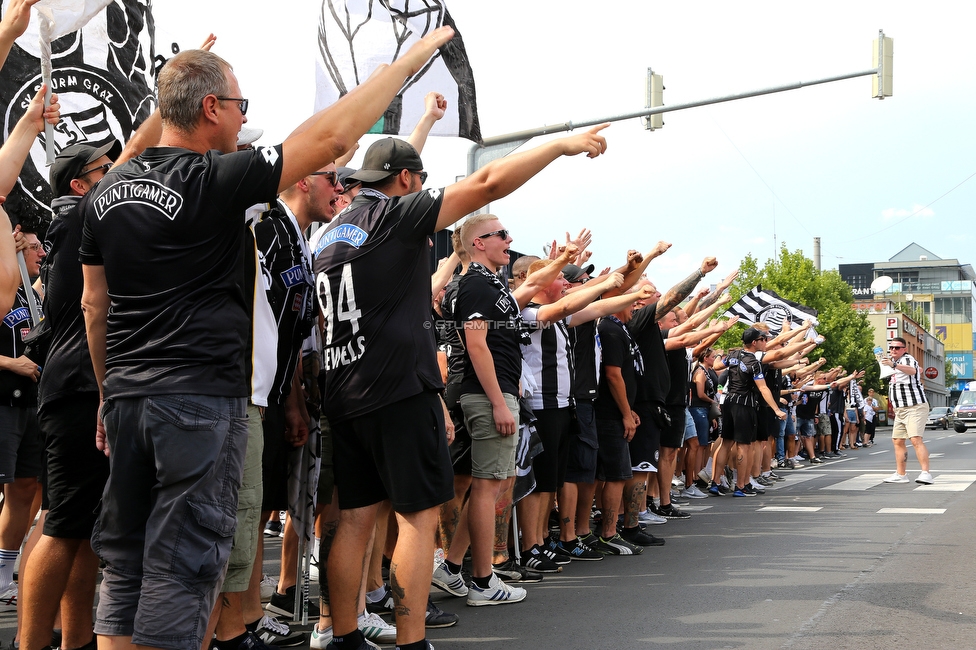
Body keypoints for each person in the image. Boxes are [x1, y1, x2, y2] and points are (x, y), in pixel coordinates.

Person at [79, 28, 455, 650]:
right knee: (184, 566)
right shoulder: (211, 180)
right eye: (239, 106)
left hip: (126, 397)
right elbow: (332, 137)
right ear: (210, 110)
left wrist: (104, 393)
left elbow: (97, 305)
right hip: (198, 397)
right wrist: (413, 60)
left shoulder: (107, 195)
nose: (241, 118)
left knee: (127, 564)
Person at [314, 115, 607, 646]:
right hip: (397, 387)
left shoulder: (329, 232)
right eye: (420, 180)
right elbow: (486, 183)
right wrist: (559, 144)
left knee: (355, 518)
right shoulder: (394, 214)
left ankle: (344, 634)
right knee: (417, 517)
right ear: (405, 179)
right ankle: (411, 639)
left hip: (342, 387)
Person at [18, 141, 119, 650]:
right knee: (61, 527)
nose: (116, 174)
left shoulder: (82, 222)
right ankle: (30, 643)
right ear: (80, 185)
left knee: (80, 531)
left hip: (76, 390)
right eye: (104, 169)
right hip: (80, 391)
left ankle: (75, 642)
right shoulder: (86, 214)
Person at [882, 337, 933, 485]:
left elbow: (913, 370)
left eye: (897, 348)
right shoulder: (891, 364)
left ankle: (926, 473)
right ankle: (901, 474)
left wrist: (894, 364)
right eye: (891, 348)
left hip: (914, 406)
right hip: (900, 409)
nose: (893, 350)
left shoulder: (907, 359)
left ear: (904, 349)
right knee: (897, 440)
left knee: (916, 439)